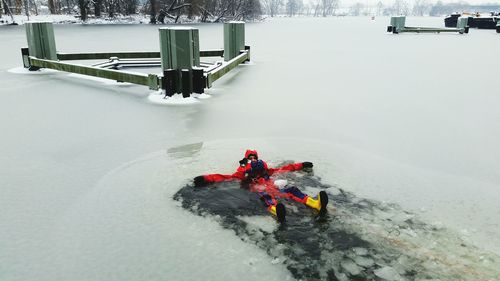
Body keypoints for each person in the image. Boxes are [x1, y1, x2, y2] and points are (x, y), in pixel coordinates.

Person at [193, 149, 328, 223]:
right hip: (258, 188)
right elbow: (224, 177)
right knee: (266, 197)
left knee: (292, 189)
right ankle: (276, 211)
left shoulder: (267, 171)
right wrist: (206, 178)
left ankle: (314, 203)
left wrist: (301, 165)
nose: (253, 160)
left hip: (272, 185)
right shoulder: (243, 173)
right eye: (250, 158)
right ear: (246, 161)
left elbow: (285, 168)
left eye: (255, 157)